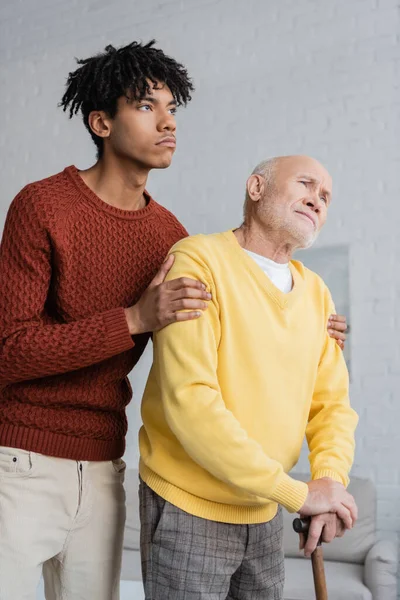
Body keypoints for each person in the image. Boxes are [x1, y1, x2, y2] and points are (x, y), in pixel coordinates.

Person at [0, 39, 346, 598]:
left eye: (172, 110)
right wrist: (132, 319)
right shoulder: (42, 206)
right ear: (101, 122)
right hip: (20, 461)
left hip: (106, 462)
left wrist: (311, 327)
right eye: (146, 106)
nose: (168, 123)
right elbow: (9, 350)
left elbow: (225, 333)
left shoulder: (170, 236)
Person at [138, 155, 358, 600]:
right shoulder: (197, 260)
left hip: (263, 513)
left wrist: (330, 484)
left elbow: (330, 406)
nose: (317, 200)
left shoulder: (317, 294)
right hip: (189, 507)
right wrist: (297, 494)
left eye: (326, 197)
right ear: (256, 188)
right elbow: (192, 402)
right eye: (306, 184)